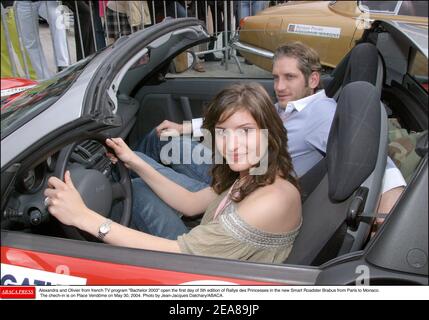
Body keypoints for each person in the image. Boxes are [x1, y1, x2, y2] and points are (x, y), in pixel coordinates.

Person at [136, 42, 406, 234]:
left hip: (245, 176)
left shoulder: (323, 115)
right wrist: (185, 127)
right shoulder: (288, 106)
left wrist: (393, 200)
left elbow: (369, 153)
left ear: (313, 79)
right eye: (275, 77)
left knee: (137, 170)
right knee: (161, 137)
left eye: (289, 77)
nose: (279, 87)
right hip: (241, 167)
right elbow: (237, 121)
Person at [44, 83, 302, 264]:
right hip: (204, 254)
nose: (231, 145)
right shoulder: (253, 171)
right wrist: (134, 161)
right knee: (138, 186)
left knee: (133, 195)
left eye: (245, 131)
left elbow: (179, 253)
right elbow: (191, 204)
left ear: (270, 131)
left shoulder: (272, 199)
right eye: (223, 132)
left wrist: (84, 218)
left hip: (199, 275)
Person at [15, 1, 70, 79]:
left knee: (58, 24)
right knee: (30, 42)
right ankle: (44, 78)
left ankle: (63, 65)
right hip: (23, 3)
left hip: (46, 2)